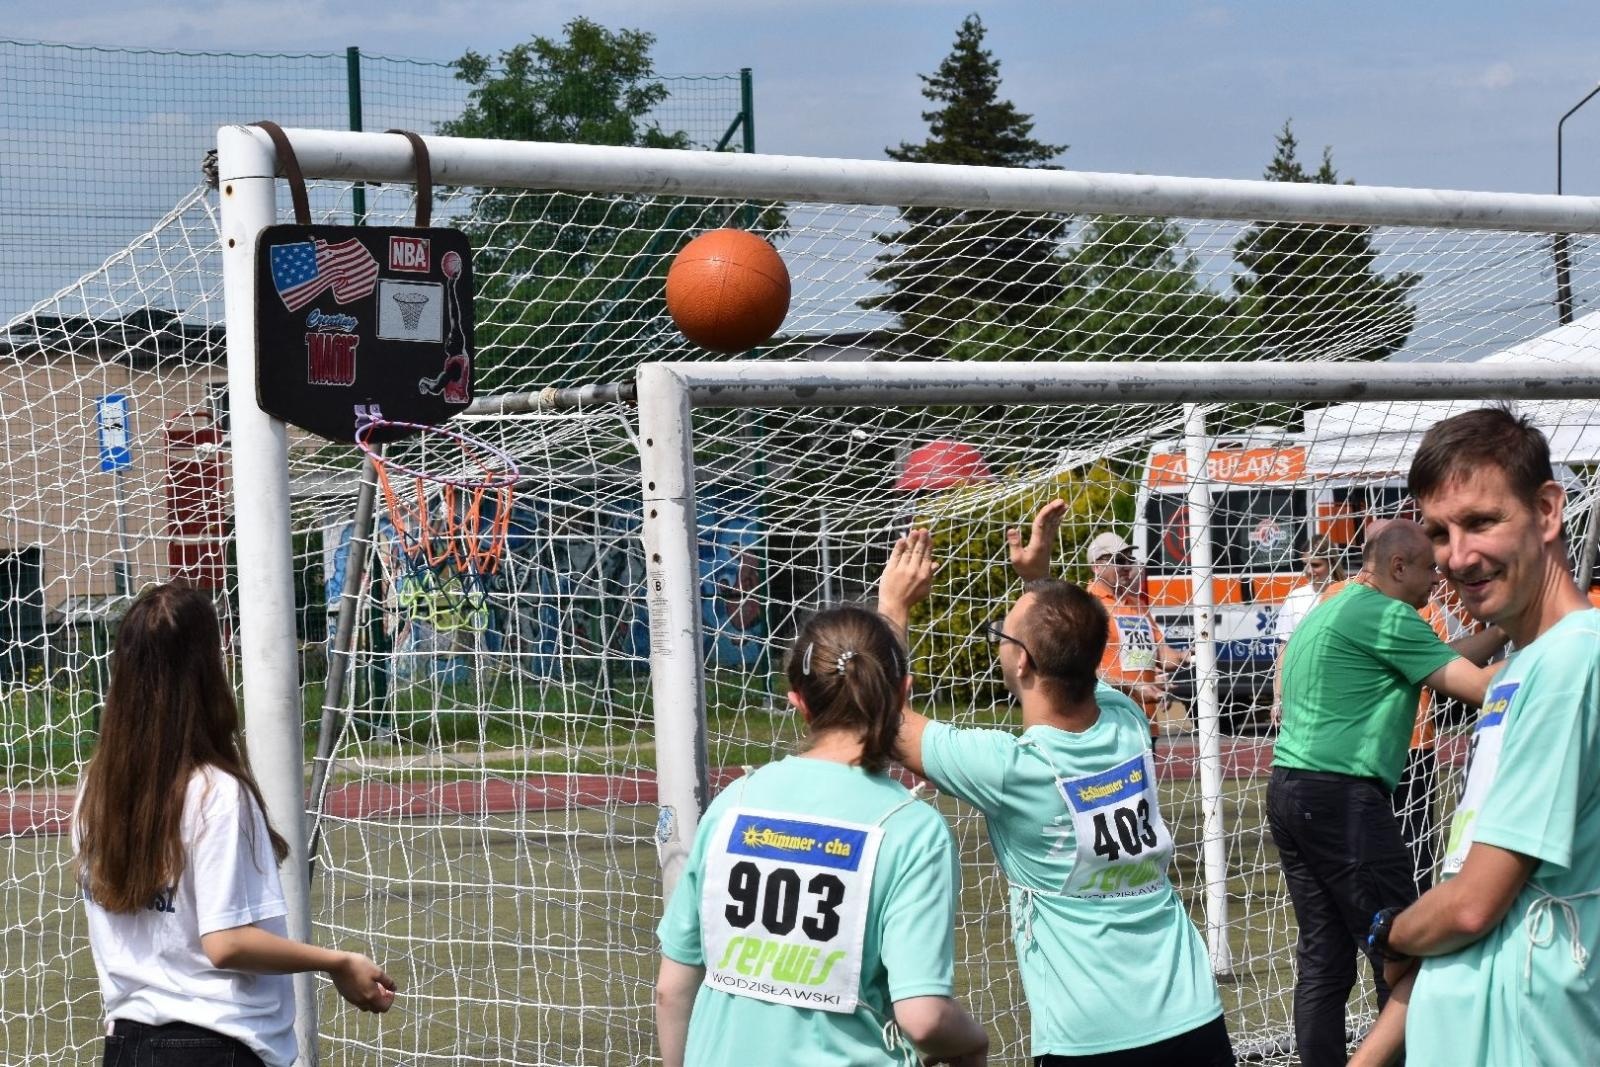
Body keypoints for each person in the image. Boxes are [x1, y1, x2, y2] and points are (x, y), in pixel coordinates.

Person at [881, 512, 1234, 1066]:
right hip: (1192, 1014)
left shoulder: (1011, 771)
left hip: (1090, 1037)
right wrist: (1039, 586)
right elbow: (1071, 648)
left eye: (1003, 634)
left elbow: (886, 719)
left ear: (1021, 660)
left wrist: (894, 607)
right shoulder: (1126, 721)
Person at [1351, 408, 1600, 1066]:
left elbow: (1470, 907)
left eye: (1482, 521)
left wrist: (1392, 933)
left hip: (1529, 1038)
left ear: (1547, 511)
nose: (1457, 556)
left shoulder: (1573, 659)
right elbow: (1467, 892)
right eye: (1439, 531)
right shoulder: (1520, 667)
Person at [73, 583, 396, 1067]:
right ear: (206, 671)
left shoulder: (95, 790)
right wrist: (338, 962)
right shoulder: (215, 791)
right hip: (215, 1042)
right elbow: (226, 943)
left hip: (127, 1045)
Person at [655, 605, 988, 1067]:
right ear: (902, 695)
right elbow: (924, 1017)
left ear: (799, 702)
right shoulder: (911, 827)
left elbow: (671, 990)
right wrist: (973, 1045)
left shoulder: (734, 804)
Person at [1266, 520, 1505, 1067]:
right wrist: (1560, 649)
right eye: (1429, 570)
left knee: (1325, 959)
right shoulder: (1386, 615)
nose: (1436, 581)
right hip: (1341, 798)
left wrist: (1503, 627)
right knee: (1405, 950)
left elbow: (1443, 657)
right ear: (1399, 567)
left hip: (1290, 790)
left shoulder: (1340, 603)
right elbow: (1480, 687)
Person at [1083, 526, 1191, 742]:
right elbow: (1082, 670)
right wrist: (1131, 686)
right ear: (1097, 566)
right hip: (1108, 724)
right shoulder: (1085, 605)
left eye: (1129, 560)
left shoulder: (1138, 605)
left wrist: (1188, 656)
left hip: (1146, 722)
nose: (1126, 566)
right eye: (1118, 560)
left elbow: (1163, 655)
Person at [1269, 539, 1344, 726]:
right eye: (1305, 565)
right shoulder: (1296, 598)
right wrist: (1278, 698)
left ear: (1331, 562)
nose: (1310, 571)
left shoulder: (1347, 594)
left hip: (1339, 688)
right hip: (1302, 689)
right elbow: (1283, 650)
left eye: (1316, 564)